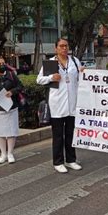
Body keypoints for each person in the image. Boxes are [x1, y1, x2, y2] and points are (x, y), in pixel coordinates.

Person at [36, 38, 84, 173]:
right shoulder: (50, 63)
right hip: (57, 104)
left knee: (70, 134)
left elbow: (80, 79)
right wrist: (51, 78)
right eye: (61, 46)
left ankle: (71, 160)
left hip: (72, 104)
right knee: (58, 135)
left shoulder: (74, 61)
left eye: (66, 46)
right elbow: (39, 80)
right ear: (55, 48)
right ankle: (58, 162)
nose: (64, 48)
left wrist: (84, 72)